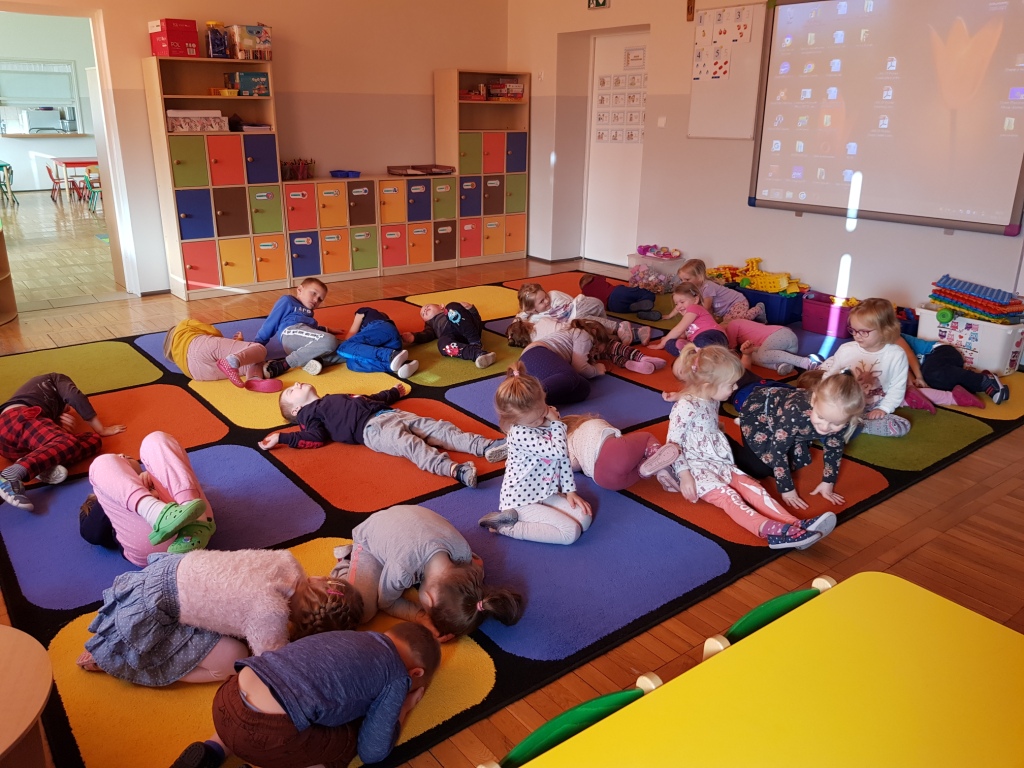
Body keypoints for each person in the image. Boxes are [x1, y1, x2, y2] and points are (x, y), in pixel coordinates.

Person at [76, 548, 363, 688]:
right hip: (156, 609)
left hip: (165, 571)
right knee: (234, 660)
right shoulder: (270, 611)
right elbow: (274, 663)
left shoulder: (288, 562)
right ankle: (126, 662)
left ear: (320, 579)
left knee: (237, 628)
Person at [170, 622, 440, 768]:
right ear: (415, 673)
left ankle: (213, 749)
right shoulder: (398, 677)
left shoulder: (353, 636)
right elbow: (372, 751)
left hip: (228, 699)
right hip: (267, 734)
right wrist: (403, 708)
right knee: (347, 741)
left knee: (258, 707)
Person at [658, 345, 834, 550]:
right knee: (729, 497)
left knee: (753, 487)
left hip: (718, 461)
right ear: (708, 385)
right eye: (730, 385)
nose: (735, 388)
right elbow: (673, 445)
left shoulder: (711, 399)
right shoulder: (685, 406)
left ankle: (795, 524)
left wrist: (716, 430)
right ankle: (769, 530)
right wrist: (685, 475)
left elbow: (705, 424)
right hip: (695, 468)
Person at [330, 504, 523, 640]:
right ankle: (348, 560)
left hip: (411, 516)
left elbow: (477, 566)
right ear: (428, 600)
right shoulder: (402, 569)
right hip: (372, 536)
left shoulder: (465, 555)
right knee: (363, 611)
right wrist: (420, 616)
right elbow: (386, 602)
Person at [260, 381, 506, 487]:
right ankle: (455, 470)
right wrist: (283, 438)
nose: (296, 384)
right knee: (410, 445)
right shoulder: (308, 415)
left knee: (440, 428)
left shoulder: (333, 398)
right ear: (296, 410)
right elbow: (314, 438)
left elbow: (368, 398)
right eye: (291, 391)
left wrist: (393, 393)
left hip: (390, 413)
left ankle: (485, 446)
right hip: (372, 429)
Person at [478, 363, 593, 545]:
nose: (541, 420)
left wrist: (570, 491)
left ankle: (521, 517)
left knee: (584, 519)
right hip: (521, 500)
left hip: (545, 491)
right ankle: (505, 525)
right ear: (513, 421)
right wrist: (556, 424)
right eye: (533, 421)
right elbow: (559, 450)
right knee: (570, 533)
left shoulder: (546, 416)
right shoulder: (519, 433)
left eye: (543, 411)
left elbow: (563, 458)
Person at [80, 431, 216, 564]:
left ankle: (193, 516)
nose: (122, 456)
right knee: (102, 462)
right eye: (119, 460)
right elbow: (92, 534)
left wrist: (155, 479)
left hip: (200, 518)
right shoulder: (101, 502)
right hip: (153, 540)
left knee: (155, 439)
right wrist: (111, 494)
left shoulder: (156, 478)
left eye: (127, 458)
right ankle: (155, 512)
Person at [739, 369, 866, 511]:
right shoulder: (795, 412)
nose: (825, 427)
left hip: (787, 425)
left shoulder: (842, 416)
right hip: (760, 414)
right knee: (760, 470)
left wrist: (828, 483)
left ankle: (787, 433)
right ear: (813, 400)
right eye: (821, 417)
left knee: (785, 467)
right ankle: (726, 440)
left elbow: (834, 448)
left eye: (835, 423)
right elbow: (778, 451)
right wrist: (787, 490)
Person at [0, 372, 126, 511]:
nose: (68, 409)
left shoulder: (45, 406)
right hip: (16, 418)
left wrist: (58, 428)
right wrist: (101, 429)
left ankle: (38, 465)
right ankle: (11, 476)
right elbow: (75, 397)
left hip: (13, 447)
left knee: (93, 440)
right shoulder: (55, 379)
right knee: (67, 441)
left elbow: (38, 432)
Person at [818, 298, 911, 437]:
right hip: (842, 403)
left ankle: (852, 425)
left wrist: (883, 409)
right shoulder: (846, 349)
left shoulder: (896, 355)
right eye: (853, 330)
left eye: (863, 332)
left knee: (902, 426)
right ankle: (843, 422)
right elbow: (830, 376)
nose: (857, 336)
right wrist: (822, 396)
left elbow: (897, 388)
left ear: (885, 330)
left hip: (872, 407)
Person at [561, 413, 680, 491]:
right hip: (612, 452)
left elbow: (574, 464)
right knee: (647, 437)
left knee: (636, 470)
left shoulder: (569, 445)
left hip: (603, 480)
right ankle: (658, 460)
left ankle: (644, 470)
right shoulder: (588, 424)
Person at [254, 277, 344, 377]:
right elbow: (271, 322)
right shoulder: (288, 301)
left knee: (345, 348)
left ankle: (315, 361)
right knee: (330, 341)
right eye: (313, 293)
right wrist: (257, 345)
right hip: (291, 333)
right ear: (300, 290)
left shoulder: (309, 313)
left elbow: (310, 331)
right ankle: (284, 364)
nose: (316, 300)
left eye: (320, 299)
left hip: (306, 346)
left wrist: (326, 329)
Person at [897, 333, 1009, 411]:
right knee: (932, 383)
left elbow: (909, 356)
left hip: (940, 352)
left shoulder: (893, 337)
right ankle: (973, 380)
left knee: (931, 374)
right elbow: (903, 368)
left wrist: (919, 377)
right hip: (935, 367)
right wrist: (914, 384)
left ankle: (984, 381)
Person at [516, 282, 650, 346]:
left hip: (586, 305)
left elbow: (573, 304)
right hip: (589, 319)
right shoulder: (535, 318)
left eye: (545, 296)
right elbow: (519, 323)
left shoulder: (553, 295)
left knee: (578, 321)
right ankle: (637, 333)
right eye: (541, 302)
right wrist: (525, 312)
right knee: (589, 335)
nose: (546, 301)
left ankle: (618, 327)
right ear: (533, 309)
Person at [163, 318, 271, 388]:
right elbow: (213, 331)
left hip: (195, 373)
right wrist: (236, 343)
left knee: (251, 360)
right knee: (259, 348)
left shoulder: (178, 355)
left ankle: (254, 380)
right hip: (199, 346)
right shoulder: (184, 324)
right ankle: (232, 362)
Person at [516, 324, 606, 405]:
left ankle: (536, 401)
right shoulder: (584, 334)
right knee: (569, 375)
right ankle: (527, 400)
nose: (593, 354)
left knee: (583, 388)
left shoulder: (569, 333)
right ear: (594, 331)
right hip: (536, 353)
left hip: (534, 366)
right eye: (596, 349)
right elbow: (580, 368)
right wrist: (596, 370)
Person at [663, 258, 765, 325]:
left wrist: (693, 317)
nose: (683, 282)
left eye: (687, 279)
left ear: (699, 276)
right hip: (725, 310)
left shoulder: (707, 287)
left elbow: (706, 308)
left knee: (737, 322)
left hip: (736, 302)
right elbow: (681, 302)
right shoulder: (691, 287)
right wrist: (670, 315)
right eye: (682, 280)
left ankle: (758, 309)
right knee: (727, 323)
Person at [401, 301, 496, 369]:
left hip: (468, 329)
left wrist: (471, 310)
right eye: (422, 314)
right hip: (452, 336)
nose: (424, 310)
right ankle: (477, 353)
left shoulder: (449, 310)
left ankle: (475, 342)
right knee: (441, 343)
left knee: (452, 307)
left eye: (427, 307)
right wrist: (414, 337)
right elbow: (427, 335)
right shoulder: (431, 325)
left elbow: (476, 321)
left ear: (441, 306)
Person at [335, 305, 420, 379]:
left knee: (343, 347)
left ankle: (391, 356)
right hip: (393, 345)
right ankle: (401, 364)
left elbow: (350, 336)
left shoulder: (365, 311)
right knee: (351, 363)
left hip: (383, 330)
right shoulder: (374, 332)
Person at [647, 282, 728, 356]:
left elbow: (678, 329)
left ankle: (699, 353)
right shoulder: (688, 318)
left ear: (695, 300)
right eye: (676, 304)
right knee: (669, 344)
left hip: (713, 336)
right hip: (698, 343)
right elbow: (682, 335)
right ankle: (694, 353)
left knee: (700, 340)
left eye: (682, 302)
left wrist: (661, 344)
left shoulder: (694, 308)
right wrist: (667, 339)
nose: (678, 307)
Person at [726, 317, 823, 375]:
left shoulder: (732, 324)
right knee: (750, 356)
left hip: (781, 335)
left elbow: (731, 349)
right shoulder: (741, 327)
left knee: (761, 355)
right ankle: (779, 365)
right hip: (783, 346)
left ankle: (805, 362)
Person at [573, 318, 667, 375]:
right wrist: (596, 370)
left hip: (590, 358)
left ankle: (627, 363)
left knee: (611, 356)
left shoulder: (582, 337)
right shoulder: (584, 338)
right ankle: (641, 357)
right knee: (613, 346)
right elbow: (581, 367)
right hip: (588, 360)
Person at [578, 273, 662, 321]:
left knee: (629, 308)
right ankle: (645, 302)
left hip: (612, 307)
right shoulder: (595, 280)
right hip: (617, 292)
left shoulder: (584, 293)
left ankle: (640, 312)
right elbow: (601, 276)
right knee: (643, 292)